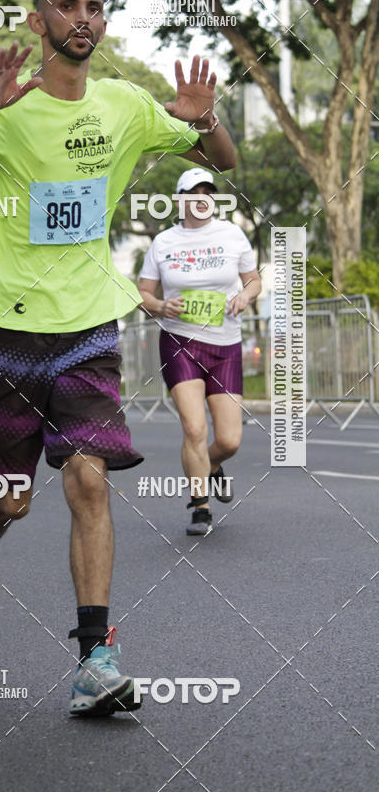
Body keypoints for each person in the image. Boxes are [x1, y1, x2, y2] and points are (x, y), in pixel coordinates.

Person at [0, 0, 236, 715]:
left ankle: (95, 660)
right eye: (68, 6)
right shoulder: (3, 106)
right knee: (11, 498)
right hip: (7, 333)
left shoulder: (125, 106)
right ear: (37, 17)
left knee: (88, 477)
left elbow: (224, 163)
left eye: (95, 8)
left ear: (103, 24)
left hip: (87, 327)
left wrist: (203, 120)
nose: (83, 18)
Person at [138, 168, 260, 536]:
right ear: (181, 200)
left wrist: (244, 296)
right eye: (193, 192)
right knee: (193, 428)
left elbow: (254, 281)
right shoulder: (163, 242)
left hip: (225, 344)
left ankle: (213, 466)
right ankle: (200, 506)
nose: (201, 198)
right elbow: (142, 293)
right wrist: (160, 307)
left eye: (207, 192)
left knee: (228, 440)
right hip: (180, 342)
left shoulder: (232, 234)